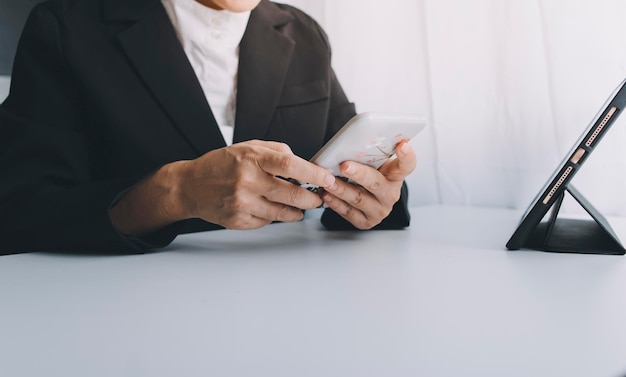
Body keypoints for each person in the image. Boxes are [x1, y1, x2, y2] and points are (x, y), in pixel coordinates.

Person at [0, 0, 416, 254]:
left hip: (288, 313)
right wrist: (175, 192)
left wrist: (375, 199)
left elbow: (347, 170)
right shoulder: (65, 28)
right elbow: (20, 212)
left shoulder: (304, 34)